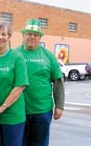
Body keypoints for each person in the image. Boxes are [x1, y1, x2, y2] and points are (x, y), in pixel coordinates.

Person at [16, 18, 65, 146]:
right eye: (29, 34)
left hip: (42, 111)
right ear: (23, 35)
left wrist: (59, 106)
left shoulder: (48, 56)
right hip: (18, 110)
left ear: (40, 38)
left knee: (40, 143)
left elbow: (58, 81)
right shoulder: (14, 55)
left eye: (36, 35)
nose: (32, 37)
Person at [0, 21, 29, 146]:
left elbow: (20, 86)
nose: (0, 37)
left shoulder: (17, 58)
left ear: (9, 37)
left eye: (4, 34)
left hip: (12, 115)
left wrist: (2, 107)